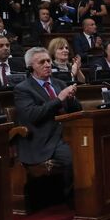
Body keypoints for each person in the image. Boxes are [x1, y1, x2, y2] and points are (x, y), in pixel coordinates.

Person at [14, 47, 82, 187]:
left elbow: (77, 111)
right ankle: (74, 201)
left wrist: (71, 99)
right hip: (44, 139)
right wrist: (59, 99)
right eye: (41, 62)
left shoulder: (59, 83)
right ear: (30, 67)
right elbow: (32, 115)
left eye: (48, 61)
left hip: (68, 133)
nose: (47, 65)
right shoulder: (23, 89)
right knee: (75, 158)